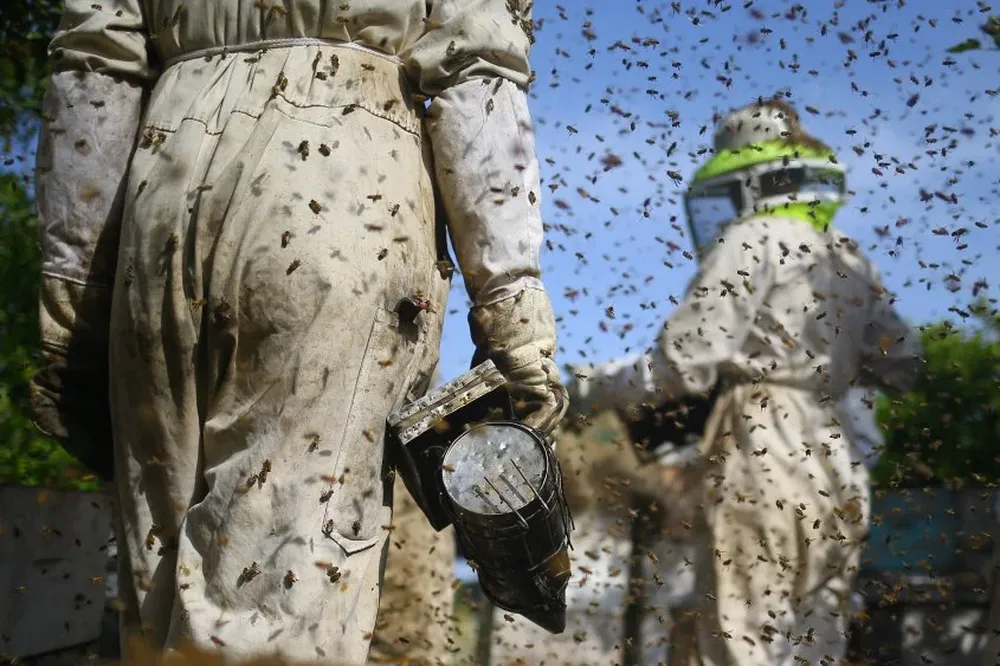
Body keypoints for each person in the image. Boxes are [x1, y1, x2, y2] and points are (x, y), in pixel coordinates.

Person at [30, 1, 568, 663]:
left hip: (159, 183)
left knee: (155, 600)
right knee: (279, 613)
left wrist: (71, 307)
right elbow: (475, 74)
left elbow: (94, 68)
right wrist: (517, 326)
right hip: (346, 184)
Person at [565, 97, 923, 665]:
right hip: (839, 461)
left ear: (743, 177)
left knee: (742, 638)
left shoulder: (750, 240)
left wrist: (588, 386)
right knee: (817, 644)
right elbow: (904, 363)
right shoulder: (850, 257)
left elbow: (681, 365)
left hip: (763, 447)